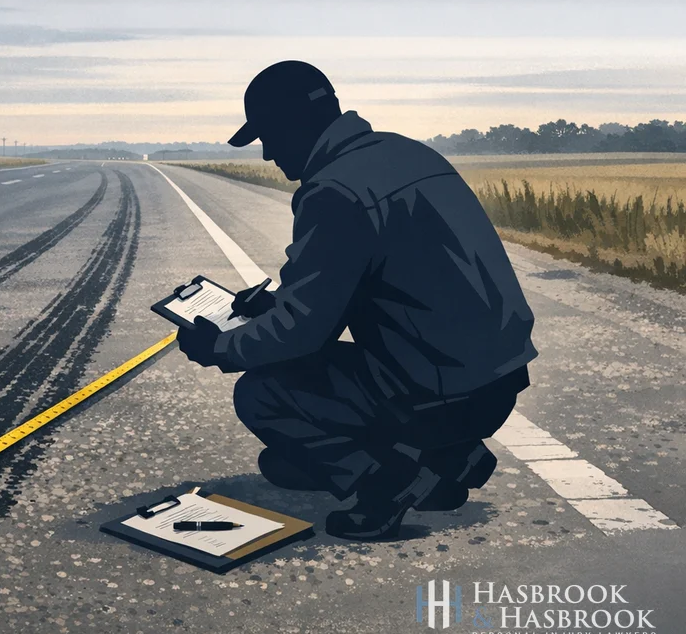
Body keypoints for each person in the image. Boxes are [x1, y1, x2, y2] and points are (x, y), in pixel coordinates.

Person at [175, 60, 537, 541]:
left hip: (443, 390)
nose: (267, 157)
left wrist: (218, 348)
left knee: (262, 395)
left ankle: (387, 486)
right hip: (498, 379)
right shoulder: (404, 153)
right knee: (282, 464)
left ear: (293, 126)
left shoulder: (334, 191)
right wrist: (274, 308)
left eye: (268, 137)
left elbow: (304, 330)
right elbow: (374, 281)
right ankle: (448, 459)